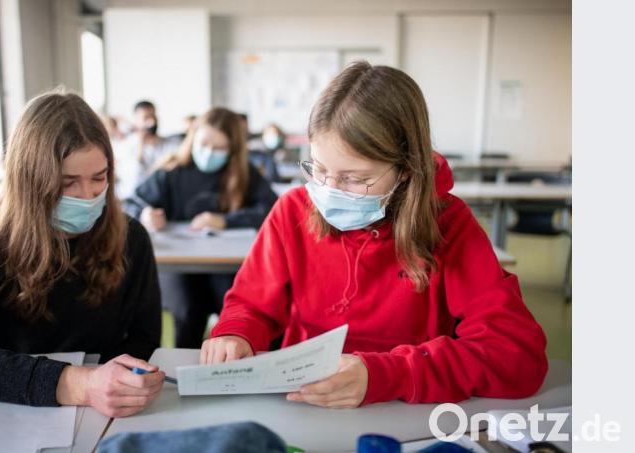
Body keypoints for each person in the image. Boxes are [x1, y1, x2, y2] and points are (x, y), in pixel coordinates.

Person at [201, 61, 548, 408]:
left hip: (405, 413)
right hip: (305, 401)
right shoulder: (293, 209)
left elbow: (516, 356)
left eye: (355, 178)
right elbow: (250, 304)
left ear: (407, 170)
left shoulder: (447, 224)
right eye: (318, 169)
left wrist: (392, 374)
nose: (329, 191)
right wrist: (236, 332)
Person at [0, 90, 165, 418]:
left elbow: (144, 337)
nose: (87, 196)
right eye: (67, 182)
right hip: (6, 409)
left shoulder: (131, 237)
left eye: (99, 178)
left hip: (103, 413)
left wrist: (121, 384)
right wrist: (79, 384)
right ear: (30, 181)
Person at [127, 107, 278, 348]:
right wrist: (145, 214)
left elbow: (272, 209)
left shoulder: (243, 174)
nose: (208, 152)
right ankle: (184, 377)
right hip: (179, 266)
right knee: (188, 312)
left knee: (236, 310)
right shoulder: (170, 171)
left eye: (219, 148)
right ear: (193, 138)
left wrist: (225, 220)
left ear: (232, 150)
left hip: (223, 265)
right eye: (204, 143)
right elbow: (130, 204)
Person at [114, 100, 178, 200]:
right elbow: (134, 180)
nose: (151, 122)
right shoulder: (124, 147)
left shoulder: (170, 145)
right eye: (146, 118)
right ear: (136, 120)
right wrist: (141, 144)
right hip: (131, 202)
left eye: (153, 116)